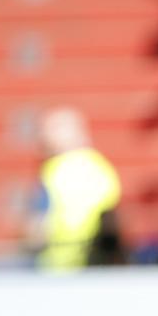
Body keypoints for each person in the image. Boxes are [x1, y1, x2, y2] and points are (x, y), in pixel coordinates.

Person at [27, 108, 124, 270]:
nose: (43, 137)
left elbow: (37, 228)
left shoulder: (53, 171)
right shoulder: (102, 168)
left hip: (56, 265)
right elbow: (111, 221)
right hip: (93, 263)